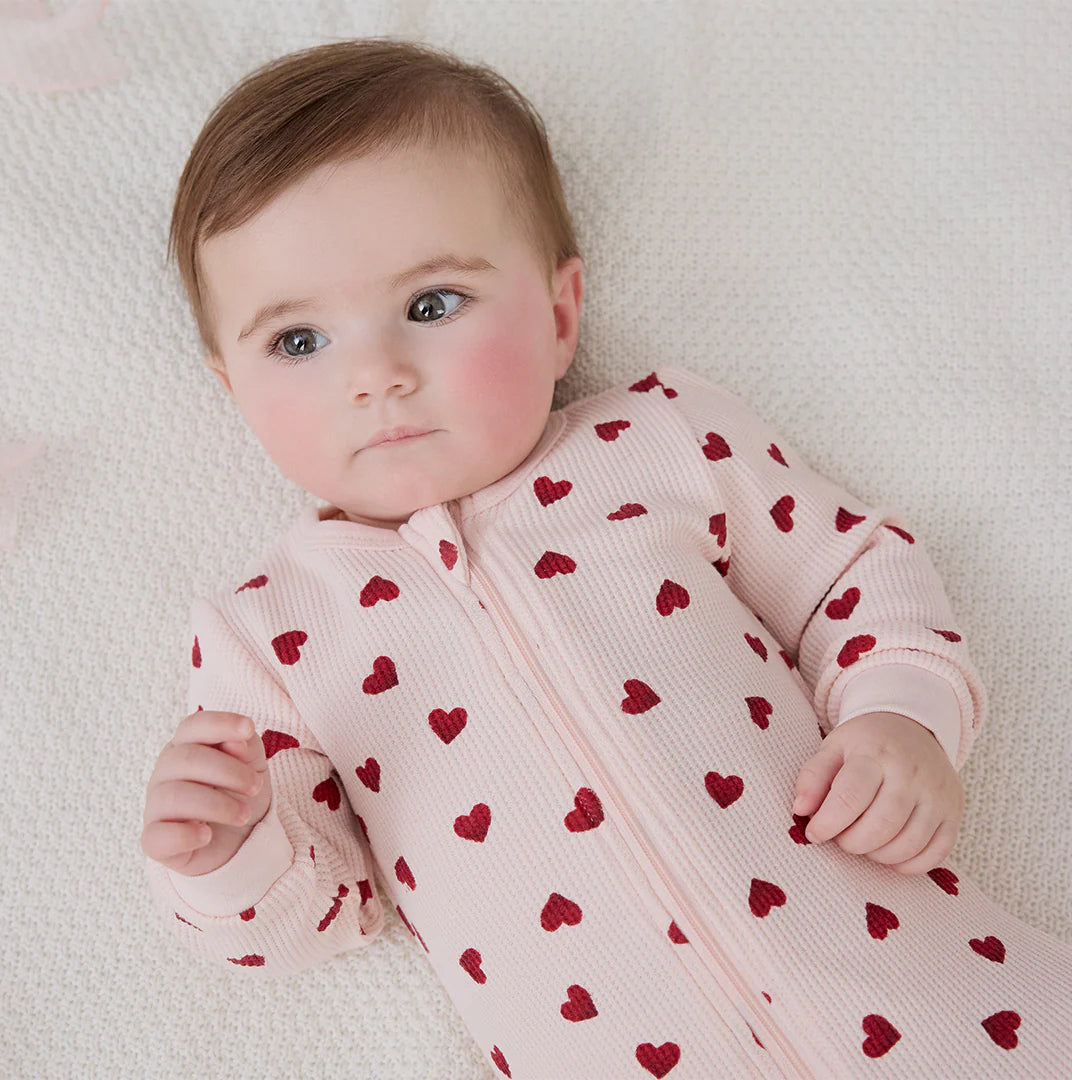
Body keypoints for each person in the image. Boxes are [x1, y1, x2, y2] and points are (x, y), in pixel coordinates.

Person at [140, 37, 1072, 1080]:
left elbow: (851, 571)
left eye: (431, 305)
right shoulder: (268, 632)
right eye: (299, 342)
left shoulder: (661, 442)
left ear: (558, 314)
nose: (378, 374)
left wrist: (902, 714)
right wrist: (226, 857)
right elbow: (326, 907)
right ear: (232, 388)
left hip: (956, 1012)